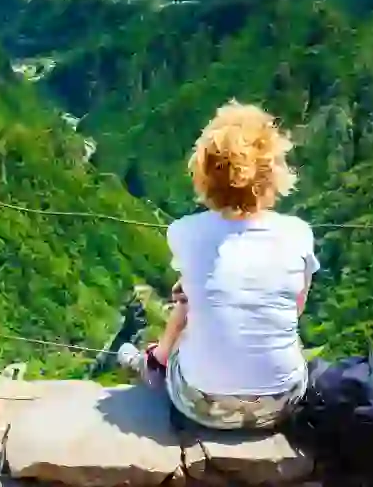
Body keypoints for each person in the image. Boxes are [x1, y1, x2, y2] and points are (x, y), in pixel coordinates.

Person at [117, 100, 320, 430]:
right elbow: (295, 309)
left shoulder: (183, 232)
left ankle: (155, 361)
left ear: (204, 175)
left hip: (201, 404)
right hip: (283, 402)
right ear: (273, 175)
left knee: (187, 298)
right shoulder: (298, 233)